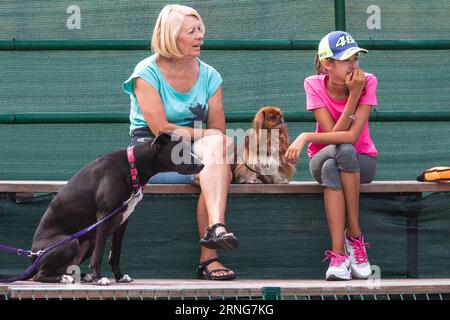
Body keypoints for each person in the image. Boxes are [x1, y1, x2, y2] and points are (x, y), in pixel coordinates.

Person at [122, 4, 237, 280]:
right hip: (154, 148)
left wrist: (212, 140)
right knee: (215, 167)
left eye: (200, 30)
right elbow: (161, 128)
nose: (200, 36)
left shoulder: (210, 75)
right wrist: (208, 138)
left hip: (194, 148)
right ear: (172, 36)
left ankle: (217, 228)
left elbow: (217, 131)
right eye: (192, 31)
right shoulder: (145, 72)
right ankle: (210, 258)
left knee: (215, 159)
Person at [285, 31, 378, 281]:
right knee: (336, 157)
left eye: (356, 58)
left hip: (363, 161)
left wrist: (305, 136)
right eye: (347, 59)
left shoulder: (368, 81)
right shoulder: (313, 84)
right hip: (324, 155)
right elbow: (334, 135)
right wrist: (353, 98)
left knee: (342, 156)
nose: (354, 65)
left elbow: (351, 137)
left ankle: (342, 250)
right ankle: (354, 240)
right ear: (328, 64)